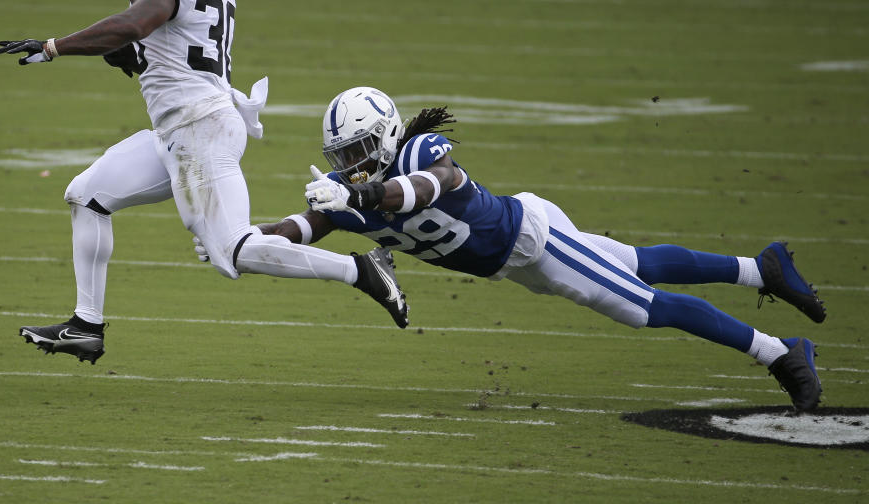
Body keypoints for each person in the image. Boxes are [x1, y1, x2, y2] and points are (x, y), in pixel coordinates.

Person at [0, 0, 408, 365]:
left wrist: (54, 47)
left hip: (198, 129)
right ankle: (86, 326)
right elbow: (171, 41)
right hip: (187, 127)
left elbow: (137, 22)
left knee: (232, 252)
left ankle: (360, 270)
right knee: (87, 195)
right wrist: (131, 55)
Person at [227, 86, 825, 411]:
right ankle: (760, 268)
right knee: (636, 262)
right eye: (342, 158)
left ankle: (779, 352)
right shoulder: (355, 195)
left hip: (534, 242)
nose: (348, 166)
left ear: (384, 137)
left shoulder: (419, 153)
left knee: (643, 305)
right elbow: (304, 227)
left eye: (358, 151)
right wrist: (252, 239)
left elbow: (429, 188)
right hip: (512, 261)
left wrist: (360, 192)